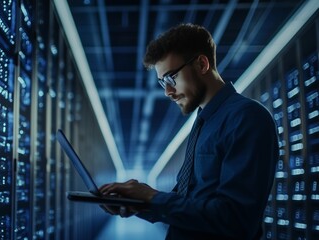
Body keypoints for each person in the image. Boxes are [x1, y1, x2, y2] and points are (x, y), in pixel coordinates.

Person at [99, 23, 279, 240]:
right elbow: (189, 199)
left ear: (202, 64)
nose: (167, 92)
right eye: (161, 82)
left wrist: (152, 198)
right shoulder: (202, 121)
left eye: (170, 78)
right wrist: (137, 202)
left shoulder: (247, 118)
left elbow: (235, 219)